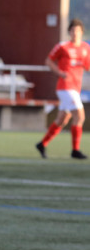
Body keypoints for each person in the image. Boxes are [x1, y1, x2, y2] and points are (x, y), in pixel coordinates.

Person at [36, 18, 90, 160]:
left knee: (62, 119)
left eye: (77, 31)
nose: (75, 33)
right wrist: (59, 72)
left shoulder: (85, 48)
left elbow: (88, 66)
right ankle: (75, 150)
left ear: (81, 32)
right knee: (80, 116)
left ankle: (42, 143)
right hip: (65, 87)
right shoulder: (63, 46)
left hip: (75, 88)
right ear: (69, 32)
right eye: (72, 31)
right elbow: (48, 61)